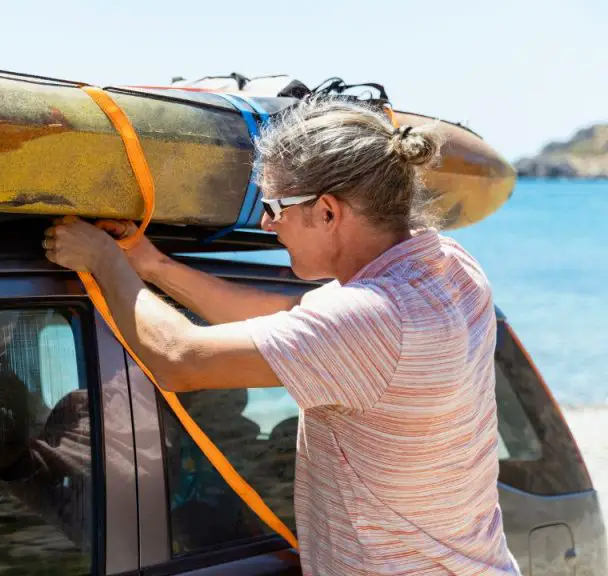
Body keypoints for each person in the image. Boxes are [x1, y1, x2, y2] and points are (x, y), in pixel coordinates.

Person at [41, 96, 522, 575]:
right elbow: (291, 317)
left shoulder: (374, 321)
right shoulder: (447, 266)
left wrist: (102, 262)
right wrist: (152, 266)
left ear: (329, 212)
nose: (268, 223)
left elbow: (180, 359)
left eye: (274, 206)